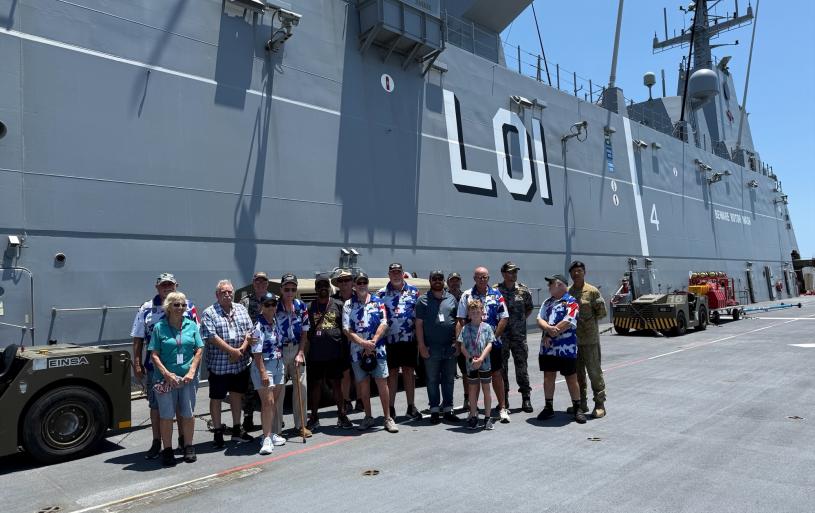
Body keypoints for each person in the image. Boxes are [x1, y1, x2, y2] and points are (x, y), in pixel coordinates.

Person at [130, 272, 199, 459]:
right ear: (157, 288)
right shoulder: (147, 308)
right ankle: (157, 442)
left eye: (170, 285)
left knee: (182, 407)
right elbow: (137, 337)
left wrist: (193, 368)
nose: (167, 288)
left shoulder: (188, 306)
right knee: (157, 407)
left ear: (176, 286)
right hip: (157, 369)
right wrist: (137, 363)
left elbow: (196, 338)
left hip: (184, 369)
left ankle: (184, 441)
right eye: (163, 285)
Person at [148, 291, 204, 465]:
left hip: (187, 379)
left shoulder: (191, 325)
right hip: (166, 379)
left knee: (187, 413)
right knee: (166, 416)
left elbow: (199, 349)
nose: (180, 308)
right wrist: (166, 374)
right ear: (168, 307)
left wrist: (191, 371)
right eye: (176, 304)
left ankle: (188, 446)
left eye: (183, 305)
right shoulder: (159, 328)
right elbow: (154, 354)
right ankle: (167, 450)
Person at [201, 280, 255, 447]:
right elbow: (211, 336)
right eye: (223, 292)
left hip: (240, 364)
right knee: (216, 398)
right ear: (217, 295)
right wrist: (232, 351)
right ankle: (218, 432)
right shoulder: (209, 313)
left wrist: (241, 350)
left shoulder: (240, 308)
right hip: (219, 366)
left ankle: (237, 428)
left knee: (237, 395)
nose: (227, 294)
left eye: (230, 292)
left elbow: (249, 331)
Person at [342, 272, 398, 433]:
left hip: (377, 349)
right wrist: (362, 343)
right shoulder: (348, 304)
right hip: (357, 352)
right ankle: (368, 417)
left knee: (382, 382)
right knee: (363, 384)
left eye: (364, 282)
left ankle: (387, 418)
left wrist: (372, 341)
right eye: (358, 283)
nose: (361, 285)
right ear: (354, 285)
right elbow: (346, 329)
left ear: (367, 284)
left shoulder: (378, 302)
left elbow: (384, 322)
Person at [456, 267, 510, 423]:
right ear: (474, 278)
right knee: (473, 379)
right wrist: (461, 343)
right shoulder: (467, 295)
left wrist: (492, 338)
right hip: (472, 347)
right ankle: (474, 411)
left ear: (488, 278)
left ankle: (502, 407)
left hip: (492, 345)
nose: (482, 280)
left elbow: (504, 318)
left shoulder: (497, 294)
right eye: (479, 277)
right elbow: (461, 319)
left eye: (485, 277)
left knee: (496, 375)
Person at [536, 274, 586, 424]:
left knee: (571, 377)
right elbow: (539, 318)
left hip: (566, 348)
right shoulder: (547, 302)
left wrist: (552, 332)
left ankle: (577, 408)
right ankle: (548, 407)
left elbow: (568, 320)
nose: (548, 286)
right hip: (548, 349)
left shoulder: (571, 302)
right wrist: (548, 328)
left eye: (551, 283)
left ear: (560, 285)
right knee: (548, 376)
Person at [306, 275, 352, 430]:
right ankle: (314, 417)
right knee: (315, 386)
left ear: (329, 287)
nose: (323, 288)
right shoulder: (310, 307)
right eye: (319, 286)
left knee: (336, 385)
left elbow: (345, 328)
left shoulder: (338, 305)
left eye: (325, 285)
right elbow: (306, 331)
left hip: (335, 353)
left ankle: (342, 415)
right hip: (316, 354)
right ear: (316, 289)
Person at [377, 263, 421, 421]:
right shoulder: (381, 293)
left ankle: (411, 406)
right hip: (390, 340)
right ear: (389, 275)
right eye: (393, 272)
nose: (396, 275)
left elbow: (418, 316)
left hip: (409, 339)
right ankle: (391, 408)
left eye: (398, 272)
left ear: (403, 274)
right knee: (393, 373)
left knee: (409, 372)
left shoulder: (414, 292)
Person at [416, 271, 461, 424]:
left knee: (449, 379)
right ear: (430, 281)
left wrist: (457, 342)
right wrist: (421, 345)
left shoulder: (451, 299)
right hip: (431, 348)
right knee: (432, 379)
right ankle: (434, 409)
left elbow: (457, 321)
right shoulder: (422, 301)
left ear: (443, 281)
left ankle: (448, 409)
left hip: (449, 347)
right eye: (434, 279)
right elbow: (419, 324)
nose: (437, 281)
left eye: (439, 279)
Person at [567, 261, 608, 418]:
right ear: (570, 274)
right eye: (574, 271)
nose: (576, 274)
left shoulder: (592, 292)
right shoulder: (568, 293)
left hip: (590, 340)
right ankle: (581, 404)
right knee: (577, 375)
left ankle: (600, 404)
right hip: (573, 341)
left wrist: (588, 322)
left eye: (579, 271)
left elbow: (602, 313)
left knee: (594, 373)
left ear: (584, 272)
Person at [249, 292, 288, 455]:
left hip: (278, 365)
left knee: (273, 402)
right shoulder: (258, 326)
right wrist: (263, 372)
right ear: (261, 307)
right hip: (264, 366)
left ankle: (270, 434)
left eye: (273, 304)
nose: (271, 307)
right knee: (267, 403)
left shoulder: (276, 322)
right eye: (268, 305)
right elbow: (256, 353)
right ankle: (266, 439)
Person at [274, 274, 312, 439]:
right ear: (281, 289)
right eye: (287, 289)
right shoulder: (274, 307)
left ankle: (301, 425)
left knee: (301, 389)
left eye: (293, 289)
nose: (290, 292)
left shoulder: (301, 306)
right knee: (278, 391)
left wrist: (301, 352)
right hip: (280, 351)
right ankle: (276, 429)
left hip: (297, 349)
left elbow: (305, 331)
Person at [495, 261, 534, 413]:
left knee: (522, 368)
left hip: (519, 336)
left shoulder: (523, 290)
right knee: (501, 368)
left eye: (515, 272)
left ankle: (526, 398)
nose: (514, 274)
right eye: (510, 272)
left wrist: (519, 321)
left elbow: (529, 309)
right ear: (503, 274)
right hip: (502, 337)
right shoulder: (496, 291)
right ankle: (504, 399)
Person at [239, 271, 270, 432]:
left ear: (267, 283)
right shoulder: (245, 301)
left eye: (263, 281)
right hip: (251, 348)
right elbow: (240, 322)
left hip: (268, 348)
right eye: (258, 281)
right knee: (249, 386)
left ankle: (271, 418)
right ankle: (248, 419)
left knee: (270, 383)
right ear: (254, 283)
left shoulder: (273, 300)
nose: (260, 284)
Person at [457, 299, 495, 431]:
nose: (475, 314)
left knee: (486, 389)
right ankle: (473, 415)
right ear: (468, 314)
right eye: (472, 312)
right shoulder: (465, 328)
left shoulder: (487, 327)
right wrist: (470, 358)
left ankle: (488, 417)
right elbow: (462, 346)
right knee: (472, 390)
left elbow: (490, 344)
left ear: (482, 313)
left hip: (484, 363)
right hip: (471, 364)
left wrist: (481, 358)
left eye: (477, 312)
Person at [331, 268, 358, 413]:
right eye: (340, 281)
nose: (344, 283)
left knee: (359, 371)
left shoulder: (359, 297)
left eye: (347, 280)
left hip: (358, 339)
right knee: (346, 373)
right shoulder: (333, 300)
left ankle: (360, 399)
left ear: (352, 282)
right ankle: (347, 400)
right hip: (341, 342)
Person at [447, 272, 469, 411]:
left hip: (464, 341)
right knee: (447, 374)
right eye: (452, 281)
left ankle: (468, 399)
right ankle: (447, 402)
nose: (454, 283)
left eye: (457, 281)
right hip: (446, 341)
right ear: (448, 283)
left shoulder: (466, 297)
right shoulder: (443, 297)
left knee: (466, 372)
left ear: (460, 282)